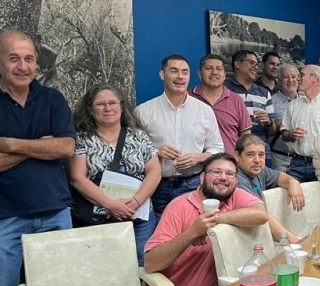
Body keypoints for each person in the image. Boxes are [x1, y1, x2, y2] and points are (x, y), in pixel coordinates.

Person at [0, 30, 76, 286]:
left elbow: (64, 148)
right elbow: (52, 146)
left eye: (29, 58)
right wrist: (38, 145)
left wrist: (10, 145)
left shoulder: (52, 98)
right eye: (14, 57)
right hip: (7, 217)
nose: (23, 65)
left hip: (55, 211)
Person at [143, 153, 269, 286]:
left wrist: (215, 219)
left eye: (230, 174)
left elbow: (261, 215)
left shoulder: (235, 197)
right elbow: (151, 263)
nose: (223, 178)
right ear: (202, 177)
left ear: (236, 181)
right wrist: (193, 232)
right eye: (216, 172)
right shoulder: (179, 206)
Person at [68, 84, 161, 265]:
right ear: (90, 109)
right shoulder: (82, 139)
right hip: (99, 216)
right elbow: (76, 177)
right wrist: (111, 205)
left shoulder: (139, 136)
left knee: (143, 264)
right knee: (104, 266)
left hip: (139, 215)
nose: (108, 108)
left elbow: (154, 171)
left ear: (121, 106)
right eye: (100, 104)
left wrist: (134, 203)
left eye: (112, 103)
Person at [135, 54, 225, 220]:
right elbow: (133, 153)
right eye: (174, 71)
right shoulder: (143, 112)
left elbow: (218, 148)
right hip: (156, 185)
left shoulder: (204, 111)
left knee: (193, 233)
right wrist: (155, 152)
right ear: (162, 74)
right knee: (159, 235)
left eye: (185, 72)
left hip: (192, 183)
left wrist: (199, 157)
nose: (180, 76)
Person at [233, 134, 302, 243]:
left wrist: (293, 182)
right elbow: (261, 214)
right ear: (237, 156)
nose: (257, 160)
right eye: (250, 154)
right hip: (245, 239)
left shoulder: (260, 170)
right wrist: (297, 243)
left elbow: (280, 177)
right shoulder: (236, 178)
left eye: (261, 155)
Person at [190, 54, 252, 155]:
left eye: (219, 69)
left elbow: (246, 136)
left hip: (228, 166)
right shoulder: (188, 97)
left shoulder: (236, 100)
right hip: (193, 166)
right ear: (199, 73)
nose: (214, 72)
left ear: (224, 74)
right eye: (209, 68)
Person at [224, 50, 277, 167]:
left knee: (265, 185)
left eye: (257, 64)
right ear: (237, 64)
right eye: (251, 63)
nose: (255, 67)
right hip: (234, 151)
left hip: (262, 151)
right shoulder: (224, 88)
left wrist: (269, 123)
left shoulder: (264, 93)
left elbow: (272, 131)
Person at [281, 65, 320, 183]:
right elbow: (284, 134)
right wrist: (291, 134)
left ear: (314, 78)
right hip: (297, 164)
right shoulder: (293, 105)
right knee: (290, 199)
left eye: (301, 75)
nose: (297, 79)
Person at [268, 64, 300, 173]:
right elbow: (268, 130)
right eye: (286, 77)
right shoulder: (271, 101)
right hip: (279, 159)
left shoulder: (306, 101)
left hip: (301, 159)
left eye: (293, 76)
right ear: (279, 80)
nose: (291, 80)